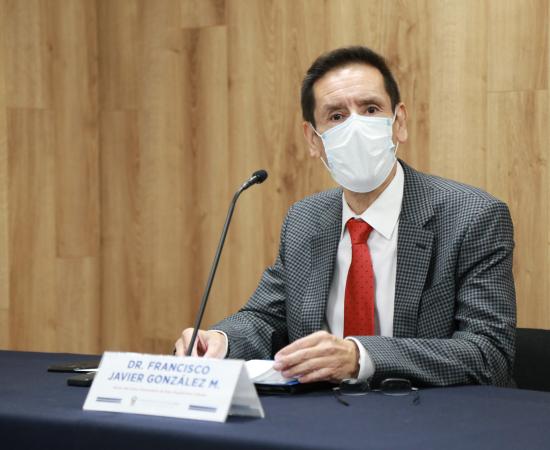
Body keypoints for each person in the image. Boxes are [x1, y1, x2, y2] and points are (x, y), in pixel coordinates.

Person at [175, 46, 516, 387]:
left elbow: (489, 353)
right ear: (314, 140)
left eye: (371, 109)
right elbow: (266, 318)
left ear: (399, 123)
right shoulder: (304, 220)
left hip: (427, 414)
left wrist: (361, 357)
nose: (355, 126)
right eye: (336, 116)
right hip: (323, 413)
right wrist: (221, 340)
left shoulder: (472, 217)